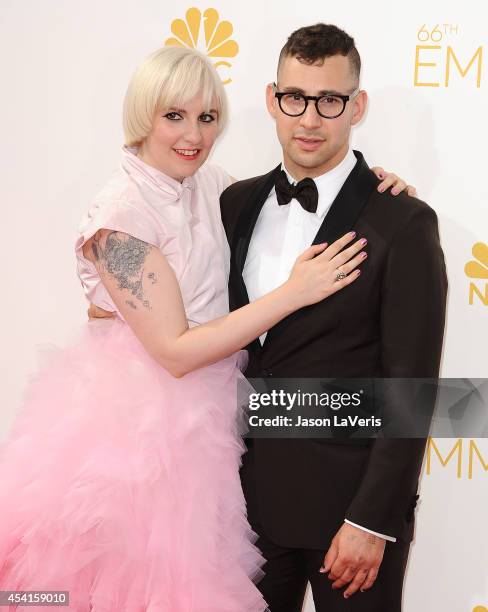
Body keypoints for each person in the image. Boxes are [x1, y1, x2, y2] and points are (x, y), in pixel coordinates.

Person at [0, 45, 409, 611]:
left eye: (207, 117)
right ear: (143, 115)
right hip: (139, 439)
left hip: (220, 434)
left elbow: (289, 210)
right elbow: (173, 350)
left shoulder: (211, 184)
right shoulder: (119, 214)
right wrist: (295, 293)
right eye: (174, 116)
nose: (192, 134)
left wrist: (368, 187)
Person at [219, 23, 448, 612]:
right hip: (239, 512)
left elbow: (411, 388)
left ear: (357, 106)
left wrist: (372, 520)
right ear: (273, 100)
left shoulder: (402, 221)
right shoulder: (233, 204)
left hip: (349, 519)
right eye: (295, 98)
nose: (309, 119)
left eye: (330, 101)